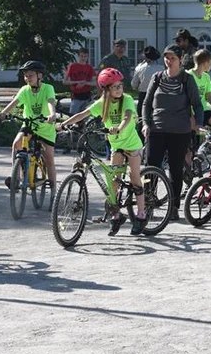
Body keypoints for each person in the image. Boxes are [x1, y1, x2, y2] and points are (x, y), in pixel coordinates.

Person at [58, 68, 148, 235]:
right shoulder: (101, 103)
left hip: (132, 144)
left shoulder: (126, 100)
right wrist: (63, 124)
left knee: (135, 178)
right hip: (116, 146)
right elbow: (83, 114)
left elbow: (127, 117)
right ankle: (116, 216)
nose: (119, 89)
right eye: (115, 87)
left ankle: (141, 215)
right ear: (106, 90)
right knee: (114, 181)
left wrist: (118, 128)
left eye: (120, 86)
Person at [142, 45, 203, 219]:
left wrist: (197, 123)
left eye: (173, 58)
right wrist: (146, 123)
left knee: (175, 170)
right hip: (156, 129)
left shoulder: (186, 79)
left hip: (179, 131)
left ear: (180, 58)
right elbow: (146, 104)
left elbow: (197, 105)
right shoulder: (157, 77)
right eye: (166, 58)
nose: (169, 61)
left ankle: (174, 206)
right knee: (151, 167)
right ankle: (148, 202)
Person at [0, 60, 59, 204]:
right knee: (16, 144)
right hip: (30, 124)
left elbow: (51, 102)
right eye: (25, 76)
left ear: (40, 76)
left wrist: (52, 114)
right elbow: (14, 103)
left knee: (49, 159)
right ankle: (16, 178)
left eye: (30, 75)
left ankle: (54, 193)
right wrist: (4, 112)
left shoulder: (48, 88)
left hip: (45, 127)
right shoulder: (25, 90)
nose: (27, 78)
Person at [65, 48, 98, 115]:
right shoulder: (72, 66)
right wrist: (77, 82)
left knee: (86, 117)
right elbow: (65, 81)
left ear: (88, 57)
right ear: (78, 56)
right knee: (72, 116)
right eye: (81, 56)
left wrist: (85, 83)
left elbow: (95, 83)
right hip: (76, 96)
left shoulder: (90, 68)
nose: (83, 58)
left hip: (87, 96)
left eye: (85, 56)